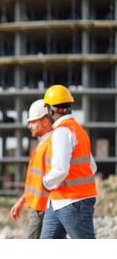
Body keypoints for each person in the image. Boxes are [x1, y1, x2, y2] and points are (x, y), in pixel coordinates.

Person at [40, 84, 98, 239]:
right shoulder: (79, 130)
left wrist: (45, 182)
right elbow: (91, 166)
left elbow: (60, 170)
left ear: (50, 110)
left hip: (72, 202)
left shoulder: (62, 131)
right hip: (58, 202)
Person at [10, 99, 52, 239]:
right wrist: (22, 201)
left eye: (33, 122)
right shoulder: (42, 144)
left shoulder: (50, 144)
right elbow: (36, 181)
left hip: (44, 208)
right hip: (40, 207)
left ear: (45, 121)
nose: (29, 126)